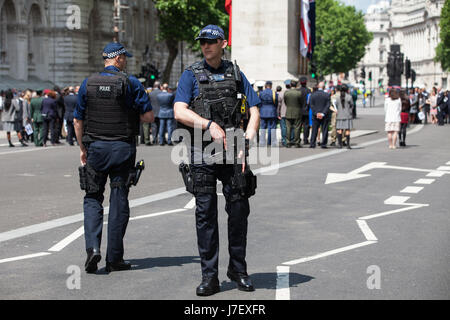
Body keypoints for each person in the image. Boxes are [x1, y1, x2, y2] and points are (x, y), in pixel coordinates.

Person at [174, 25, 261, 296]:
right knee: (205, 215)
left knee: (238, 212)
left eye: (211, 42)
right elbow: (179, 111)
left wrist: (246, 141)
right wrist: (207, 123)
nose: (206, 46)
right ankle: (209, 276)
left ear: (223, 43)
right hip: (202, 150)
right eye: (202, 42)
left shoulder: (236, 73)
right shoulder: (191, 75)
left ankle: (238, 270)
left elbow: (254, 109)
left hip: (233, 150)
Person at [74, 42, 154, 274]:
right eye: (124, 58)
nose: (126, 61)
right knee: (119, 199)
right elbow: (148, 117)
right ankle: (114, 258)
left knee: (92, 197)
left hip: (95, 148)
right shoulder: (131, 83)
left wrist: (82, 149)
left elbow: (78, 121)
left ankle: (92, 249)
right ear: (117, 58)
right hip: (122, 149)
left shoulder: (87, 84)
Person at [309, 81, 331, 149]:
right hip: (324, 115)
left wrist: (316, 113)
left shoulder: (313, 94)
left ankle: (312, 143)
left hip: (315, 115)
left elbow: (311, 105)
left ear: (318, 87)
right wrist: (323, 113)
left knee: (314, 130)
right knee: (324, 130)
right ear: (324, 87)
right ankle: (323, 144)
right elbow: (328, 105)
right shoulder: (327, 95)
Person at [283, 79, 303, 148]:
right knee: (297, 128)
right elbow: (301, 102)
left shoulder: (286, 93)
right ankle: (296, 142)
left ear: (290, 85)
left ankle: (288, 142)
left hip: (288, 111)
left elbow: (285, 102)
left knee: (288, 127)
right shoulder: (299, 93)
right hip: (297, 111)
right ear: (296, 85)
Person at [258, 81, 278, 146]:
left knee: (263, 127)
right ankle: (270, 142)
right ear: (271, 86)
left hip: (263, 112)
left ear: (265, 86)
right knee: (271, 128)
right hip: (272, 112)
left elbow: (259, 103)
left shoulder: (261, 93)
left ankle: (262, 142)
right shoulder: (274, 93)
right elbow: (276, 102)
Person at [335, 84, 354, 149]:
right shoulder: (349, 97)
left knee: (339, 130)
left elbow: (336, 105)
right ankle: (348, 145)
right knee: (347, 130)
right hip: (347, 115)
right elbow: (352, 105)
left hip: (339, 115)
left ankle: (340, 144)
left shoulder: (337, 97)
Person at [298, 77, 310, 145]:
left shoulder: (298, 91)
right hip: (306, 110)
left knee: (298, 126)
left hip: (299, 110)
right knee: (306, 126)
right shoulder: (309, 91)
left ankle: (298, 139)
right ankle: (305, 139)